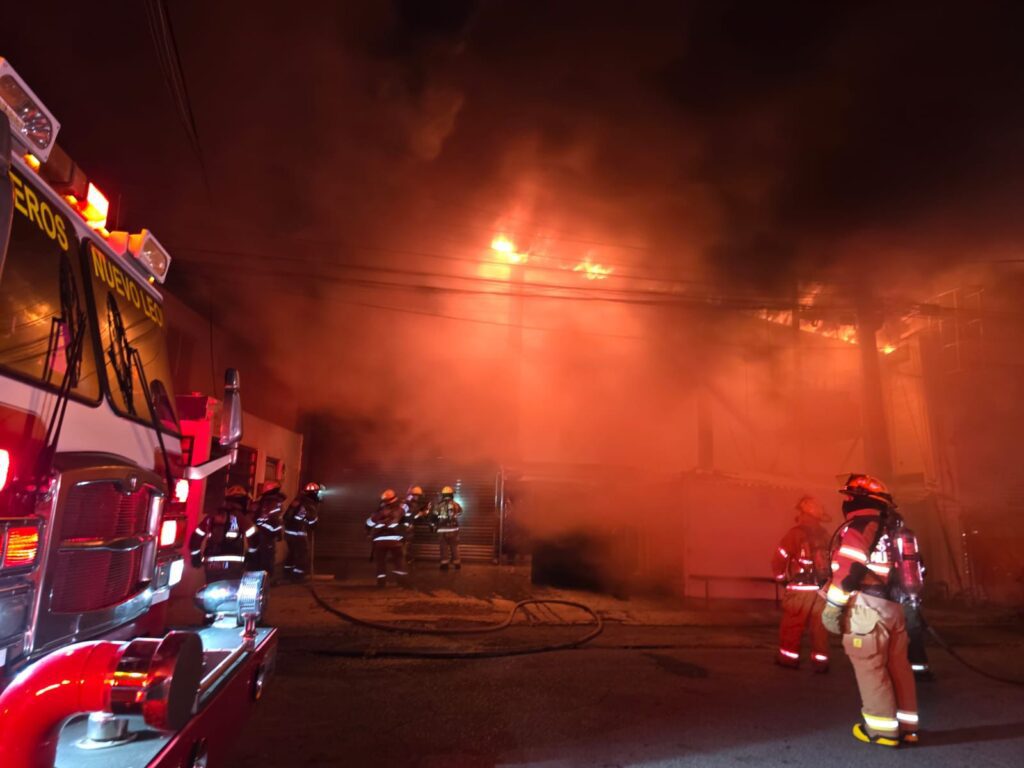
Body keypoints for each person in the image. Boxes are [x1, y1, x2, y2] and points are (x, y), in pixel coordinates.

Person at [821, 474, 919, 748]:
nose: (847, 501)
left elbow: (848, 569)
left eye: (849, 497)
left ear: (856, 499)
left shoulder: (861, 525)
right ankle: (909, 728)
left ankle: (882, 730)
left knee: (871, 668)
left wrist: (833, 607)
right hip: (895, 608)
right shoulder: (895, 529)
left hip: (868, 609)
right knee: (898, 667)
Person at [771, 495, 832, 672]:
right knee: (820, 628)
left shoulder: (795, 534)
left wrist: (781, 579)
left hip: (800, 589)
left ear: (804, 512)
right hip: (822, 589)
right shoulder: (825, 535)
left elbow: (779, 559)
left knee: (793, 624)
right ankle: (821, 662)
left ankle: (788, 659)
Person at [189, 495, 255, 584]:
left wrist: (195, 556)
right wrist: (251, 554)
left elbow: (196, 536)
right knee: (231, 591)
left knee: (211, 589)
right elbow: (254, 536)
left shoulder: (212, 516)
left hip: (211, 565)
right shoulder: (240, 517)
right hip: (233, 565)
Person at [366, 489, 410, 586]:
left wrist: (370, 525)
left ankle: (381, 581)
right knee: (398, 560)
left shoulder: (379, 512)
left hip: (380, 542)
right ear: (394, 498)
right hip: (395, 541)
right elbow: (407, 508)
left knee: (380, 561)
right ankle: (401, 580)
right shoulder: (400, 509)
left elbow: (369, 523)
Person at [283, 481, 323, 580]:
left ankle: (287, 571)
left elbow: (289, 516)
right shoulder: (309, 504)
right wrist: (314, 525)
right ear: (314, 493)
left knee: (292, 552)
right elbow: (312, 520)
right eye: (318, 493)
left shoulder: (298, 500)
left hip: (289, 531)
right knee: (302, 553)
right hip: (298, 532)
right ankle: (298, 575)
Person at [249, 480, 286, 577]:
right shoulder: (271, 501)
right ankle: (264, 580)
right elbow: (275, 520)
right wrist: (278, 534)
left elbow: (273, 519)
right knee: (265, 557)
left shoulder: (268, 501)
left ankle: (263, 579)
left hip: (262, 534)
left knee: (262, 558)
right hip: (264, 534)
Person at [431, 485, 463, 571]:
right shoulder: (456, 505)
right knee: (454, 547)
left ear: (443, 495)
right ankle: (457, 564)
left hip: (442, 530)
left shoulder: (438, 505)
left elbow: (434, 516)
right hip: (454, 530)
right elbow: (460, 513)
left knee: (443, 547)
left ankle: (445, 565)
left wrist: (433, 524)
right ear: (451, 494)